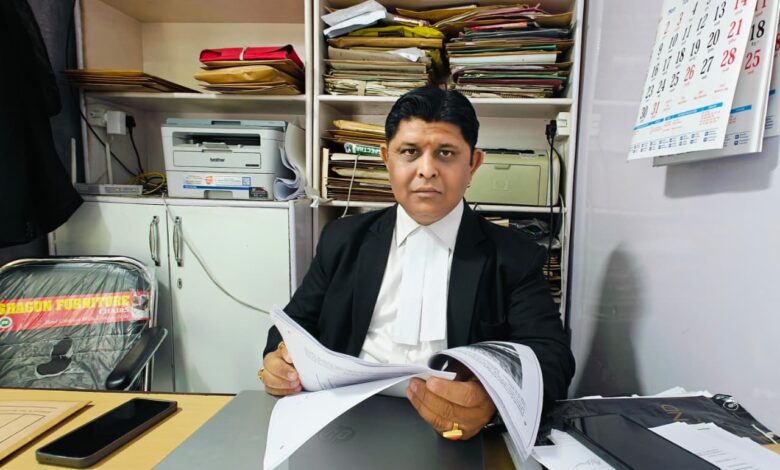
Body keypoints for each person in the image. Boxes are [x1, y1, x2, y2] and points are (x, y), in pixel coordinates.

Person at [260, 86, 574, 441]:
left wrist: (492, 401)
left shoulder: (514, 255)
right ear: (387, 159)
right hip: (345, 423)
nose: (427, 170)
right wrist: (277, 361)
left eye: (446, 153)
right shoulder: (343, 239)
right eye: (409, 152)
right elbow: (293, 326)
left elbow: (552, 359)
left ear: (473, 164)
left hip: (458, 433)